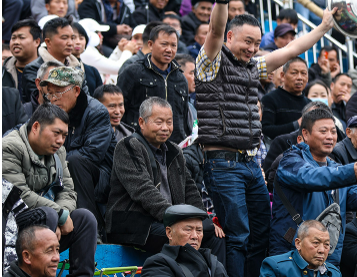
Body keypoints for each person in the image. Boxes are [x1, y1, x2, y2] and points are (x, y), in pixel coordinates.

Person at [195, 0, 340, 277]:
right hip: (222, 164)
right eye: (247, 41)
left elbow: (290, 50)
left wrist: (324, 27)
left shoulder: (254, 67)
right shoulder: (210, 63)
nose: (252, 48)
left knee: (261, 233)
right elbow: (215, 30)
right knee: (239, 236)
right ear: (231, 36)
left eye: (257, 43)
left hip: (251, 164)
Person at [270, 107, 357, 265]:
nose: (330, 137)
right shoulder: (290, 161)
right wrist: (349, 173)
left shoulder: (335, 168)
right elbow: (309, 177)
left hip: (328, 256)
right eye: (323, 131)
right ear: (305, 134)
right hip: (293, 252)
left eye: (333, 131)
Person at [106, 97, 225, 257]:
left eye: (169, 122)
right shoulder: (128, 146)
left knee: (216, 236)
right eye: (159, 122)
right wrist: (177, 219)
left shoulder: (175, 151)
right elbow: (143, 190)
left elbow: (190, 190)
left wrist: (201, 220)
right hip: (135, 224)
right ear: (142, 122)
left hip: (169, 221)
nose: (165, 128)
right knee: (185, 237)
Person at [2, 103, 98, 276]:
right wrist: (59, 215)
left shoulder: (59, 152)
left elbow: (68, 190)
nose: (61, 140)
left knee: (85, 218)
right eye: (56, 133)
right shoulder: (10, 147)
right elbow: (18, 195)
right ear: (36, 127)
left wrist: (64, 216)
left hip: (51, 221)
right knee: (48, 214)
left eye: (64, 135)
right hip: (13, 223)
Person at [40, 65, 116, 235]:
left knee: (75, 163)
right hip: (63, 170)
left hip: (101, 177)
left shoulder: (96, 111)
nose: (53, 99)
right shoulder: (50, 113)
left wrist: (55, 163)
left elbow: (92, 154)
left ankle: (91, 232)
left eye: (58, 93)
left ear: (76, 90)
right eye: (50, 93)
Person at [117, 24, 191, 144]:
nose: (169, 49)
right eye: (164, 44)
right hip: (139, 144)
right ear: (150, 45)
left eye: (173, 45)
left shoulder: (180, 78)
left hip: (173, 146)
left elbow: (183, 116)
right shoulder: (133, 72)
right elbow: (120, 108)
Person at [140, 205, 227, 277]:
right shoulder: (157, 265)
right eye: (188, 230)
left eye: (199, 230)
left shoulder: (213, 263)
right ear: (169, 233)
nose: (195, 236)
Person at [260, 220, 341, 277]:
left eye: (326, 244)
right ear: (298, 244)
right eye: (316, 243)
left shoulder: (334, 273)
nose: (322, 250)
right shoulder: (276, 267)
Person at [261, 57, 311, 139]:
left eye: (303, 73)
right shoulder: (269, 99)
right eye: (294, 73)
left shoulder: (309, 104)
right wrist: (297, 124)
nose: (299, 77)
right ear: (282, 76)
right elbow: (265, 130)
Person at [3, 20, 41, 101]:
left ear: (37, 42)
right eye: (13, 38)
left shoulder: (46, 70)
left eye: (22, 38)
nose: (16, 42)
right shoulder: (4, 71)